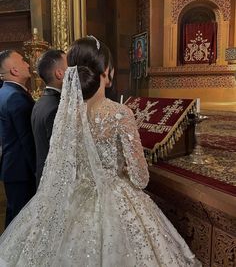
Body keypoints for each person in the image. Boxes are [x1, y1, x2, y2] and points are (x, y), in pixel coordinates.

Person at [0, 37, 201, 266]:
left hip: (73, 198)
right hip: (115, 200)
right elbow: (140, 178)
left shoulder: (65, 115)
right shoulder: (120, 113)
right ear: (107, 71)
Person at [0, 50, 36, 228]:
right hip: (22, 170)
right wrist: (39, 171)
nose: (28, 64)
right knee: (21, 223)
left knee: (14, 217)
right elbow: (27, 140)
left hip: (13, 168)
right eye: (23, 61)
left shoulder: (4, 92)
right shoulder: (15, 97)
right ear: (14, 70)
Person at [31, 49, 67, 188]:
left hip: (43, 175)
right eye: (70, 66)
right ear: (59, 73)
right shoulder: (56, 107)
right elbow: (61, 155)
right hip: (55, 182)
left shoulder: (41, 101)